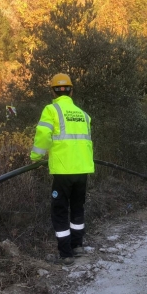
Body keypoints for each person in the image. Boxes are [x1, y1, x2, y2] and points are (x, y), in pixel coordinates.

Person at [30, 73, 94, 266]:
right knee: (77, 208)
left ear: (53, 92)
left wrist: (35, 156)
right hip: (82, 170)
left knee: (59, 210)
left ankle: (65, 254)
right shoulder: (83, 115)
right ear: (71, 90)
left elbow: (43, 135)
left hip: (63, 170)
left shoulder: (51, 110)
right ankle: (77, 246)